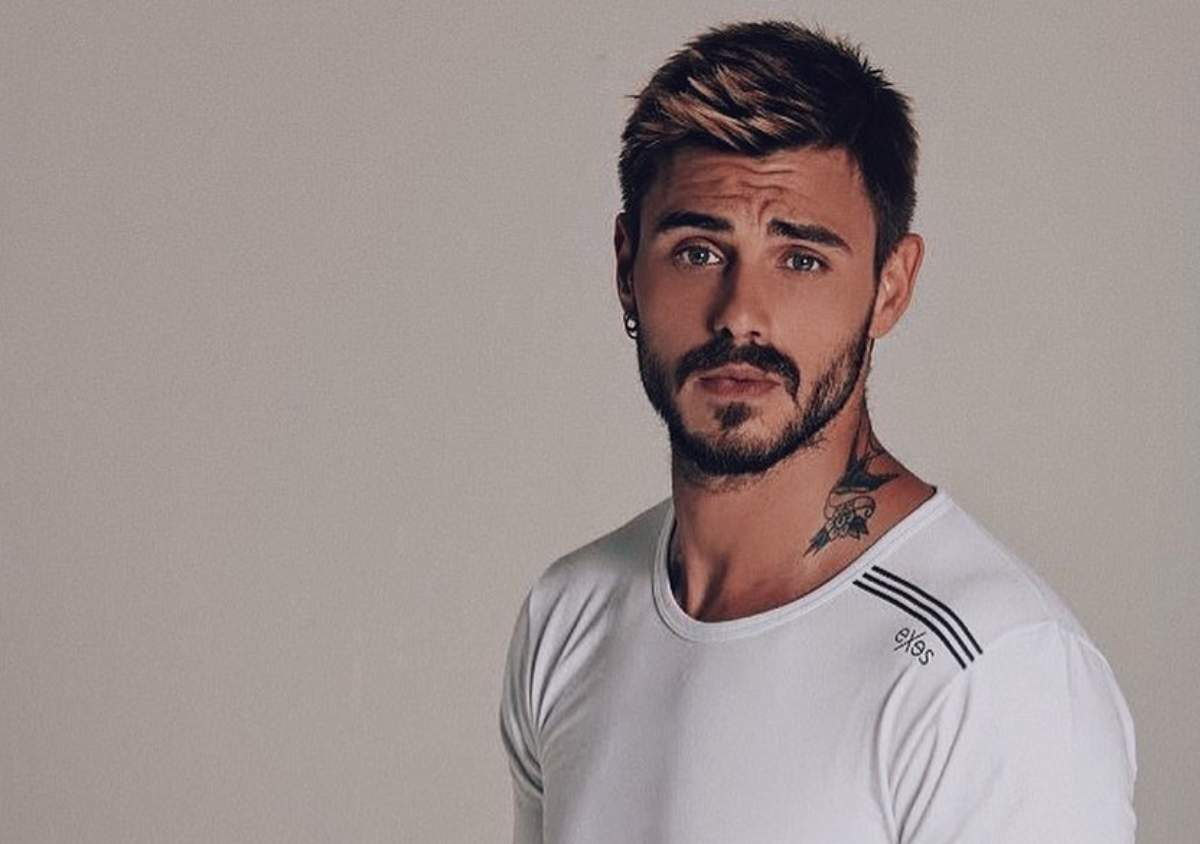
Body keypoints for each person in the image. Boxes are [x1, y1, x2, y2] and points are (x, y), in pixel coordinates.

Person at [499, 20, 1136, 844]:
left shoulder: (994, 670)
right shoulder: (571, 613)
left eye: (800, 259)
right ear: (628, 268)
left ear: (890, 287)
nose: (741, 314)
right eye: (698, 252)